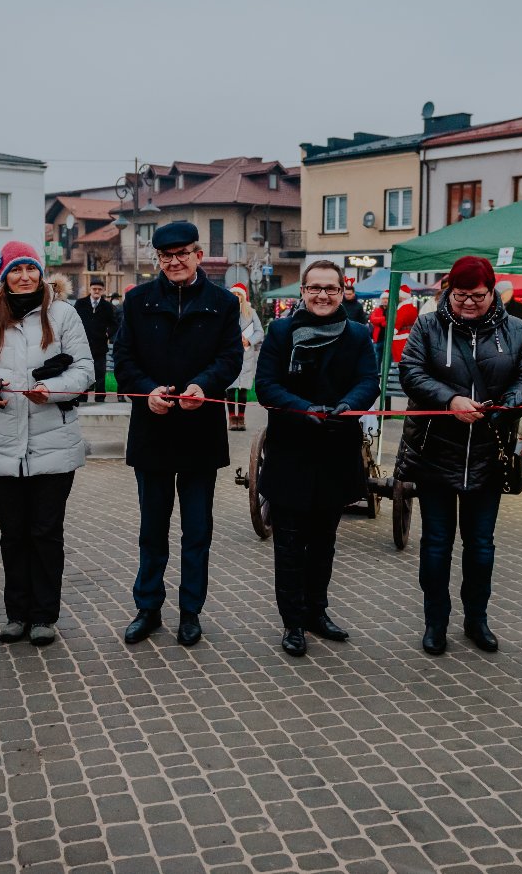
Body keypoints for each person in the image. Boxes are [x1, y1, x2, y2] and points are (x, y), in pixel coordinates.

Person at [396, 255, 522, 656]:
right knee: (437, 543)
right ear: (448, 290)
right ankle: (435, 621)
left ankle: (477, 618)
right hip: (435, 448)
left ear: (492, 291)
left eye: (477, 296)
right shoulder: (427, 325)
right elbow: (411, 372)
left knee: (480, 545)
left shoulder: (515, 328)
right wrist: (451, 400)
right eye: (460, 295)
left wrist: (507, 402)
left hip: (489, 450)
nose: (468, 303)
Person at [113, 221, 242, 647]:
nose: (174, 261)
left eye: (182, 253)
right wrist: (145, 391)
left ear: (198, 255)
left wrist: (203, 386)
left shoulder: (223, 303)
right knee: (152, 528)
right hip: (152, 429)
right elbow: (124, 359)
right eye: (166, 256)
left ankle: (191, 611)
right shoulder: (137, 301)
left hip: (201, 431)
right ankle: (147, 607)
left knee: (197, 529)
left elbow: (230, 358)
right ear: (159, 259)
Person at [0, 243, 93, 647]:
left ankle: (43, 616)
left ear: (40, 272)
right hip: (3, 441)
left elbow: (85, 369)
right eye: (15, 270)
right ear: (4, 276)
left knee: (46, 532)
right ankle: (16, 613)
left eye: (30, 269)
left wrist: (49, 390)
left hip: (54, 441)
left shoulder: (64, 314)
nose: (24, 276)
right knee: (12, 533)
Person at [255, 260, 379, 656]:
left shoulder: (358, 334)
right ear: (303, 292)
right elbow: (267, 386)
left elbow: (368, 382)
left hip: (336, 447)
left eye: (331, 288)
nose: (323, 295)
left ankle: (316, 612)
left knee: (324, 541)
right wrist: (303, 408)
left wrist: (346, 406)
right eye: (314, 288)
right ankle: (292, 622)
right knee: (289, 543)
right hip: (292, 448)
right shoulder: (280, 331)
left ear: (343, 291)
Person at [73, 277, 118, 403]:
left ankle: (99, 397)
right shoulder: (80, 303)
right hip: (82, 345)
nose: (96, 291)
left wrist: (108, 334)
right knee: (82, 371)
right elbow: (73, 321)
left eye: (99, 289)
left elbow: (114, 324)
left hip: (100, 345)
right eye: (94, 289)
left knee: (100, 373)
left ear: (103, 290)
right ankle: (82, 397)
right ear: (90, 289)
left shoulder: (107, 306)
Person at [227, 283, 263, 431]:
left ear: (243, 296)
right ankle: (231, 419)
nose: (236, 298)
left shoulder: (251, 312)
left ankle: (241, 418)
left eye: (238, 295)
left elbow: (259, 331)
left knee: (243, 389)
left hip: (246, 355)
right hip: (229, 354)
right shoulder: (226, 312)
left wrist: (249, 341)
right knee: (230, 388)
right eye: (233, 295)